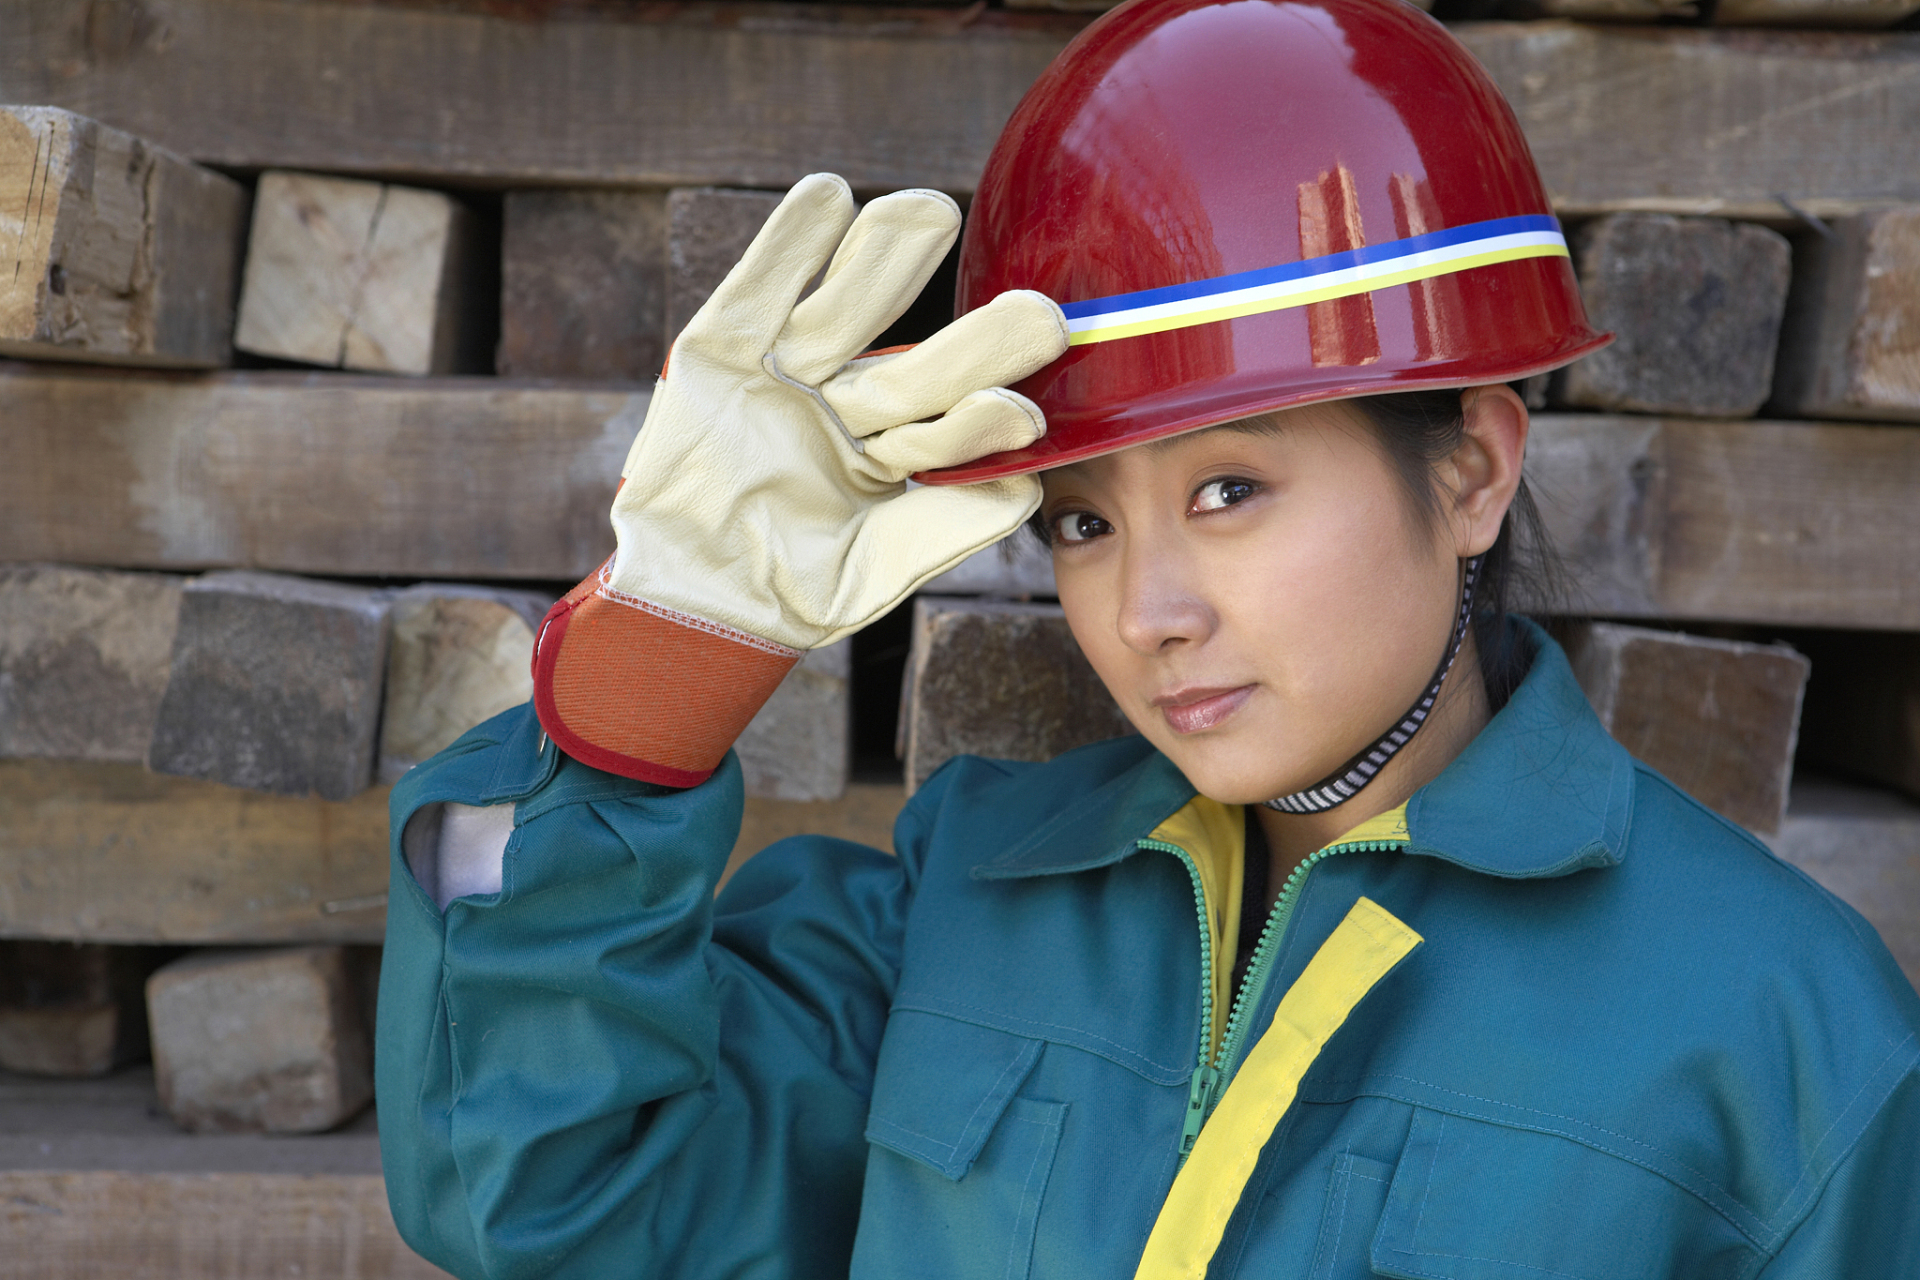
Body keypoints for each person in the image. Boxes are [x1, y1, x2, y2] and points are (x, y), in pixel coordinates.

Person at [376, 0, 1920, 1275]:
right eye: (1082, 521)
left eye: (1232, 490)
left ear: (1470, 470)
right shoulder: (963, 896)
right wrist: (656, 673)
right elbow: (547, 1201)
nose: (1144, 612)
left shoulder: (1783, 1036)